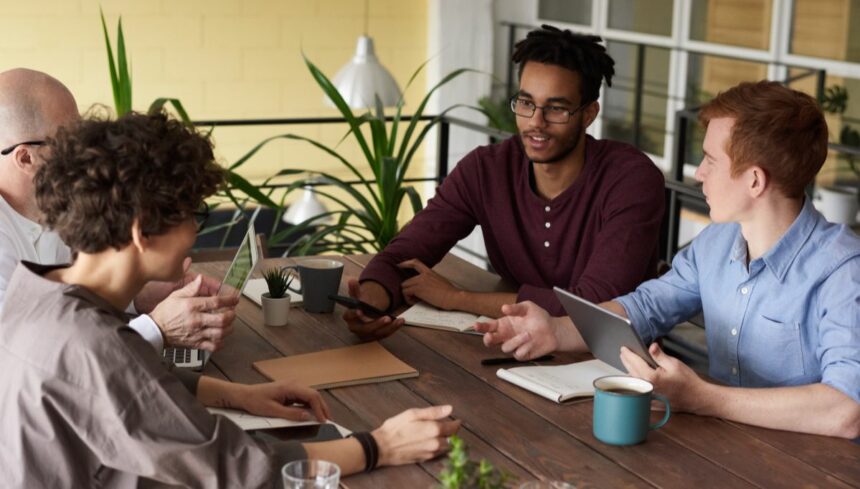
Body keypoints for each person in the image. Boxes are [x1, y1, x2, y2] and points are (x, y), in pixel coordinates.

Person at [0, 111, 460, 487]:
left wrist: (240, 394)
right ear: (142, 231)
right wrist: (379, 445)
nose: (195, 232)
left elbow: (118, 387)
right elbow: (236, 469)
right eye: (190, 214)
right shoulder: (89, 342)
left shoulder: (38, 291)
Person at [476, 80, 860, 439]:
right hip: (729, 449)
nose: (698, 174)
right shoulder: (716, 242)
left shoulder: (844, 270)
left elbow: (846, 409)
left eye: (710, 160)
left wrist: (703, 397)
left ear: (755, 181)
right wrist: (556, 330)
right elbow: (645, 308)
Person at [345, 25, 665, 340]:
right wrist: (369, 304)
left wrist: (457, 298)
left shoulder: (630, 178)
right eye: (526, 103)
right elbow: (405, 253)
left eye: (556, 108)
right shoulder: (487, 170)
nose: (535, 123)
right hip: (515, 347)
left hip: (615, 366)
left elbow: (592, 306)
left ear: (588, 114)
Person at [0, 68, 232, 353]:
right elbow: (32, 356)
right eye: (68, 141)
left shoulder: (60, 204)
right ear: (25, 157)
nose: (82, 151)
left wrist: (139, 296)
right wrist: (157, 328)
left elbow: (74, 311)